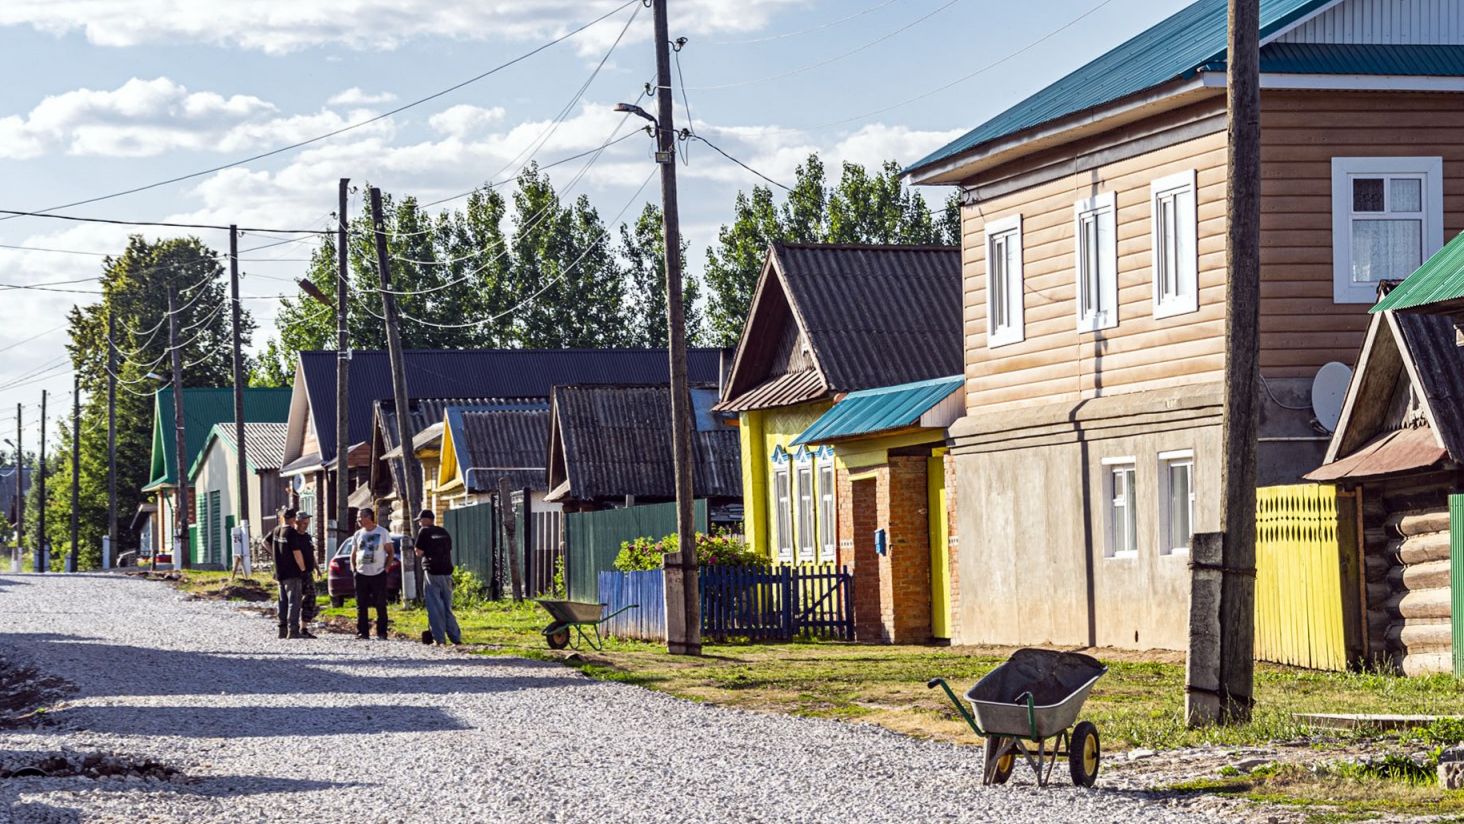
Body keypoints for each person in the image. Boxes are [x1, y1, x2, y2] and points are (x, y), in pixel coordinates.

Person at [414, 509, 461, 645]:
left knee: (434, 605)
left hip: (432, 571)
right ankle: (455, 637)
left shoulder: (424, 531)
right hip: (446, 571)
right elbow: (448, 550)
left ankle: (439, 638)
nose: (419, 523)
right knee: (446, 606)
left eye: (420, 520)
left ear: (426, 520)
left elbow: (418, 552)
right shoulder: (443, 532)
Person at [351, 507, 393, 640]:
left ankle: (382, 632)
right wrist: (354, 568)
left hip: (378, 573)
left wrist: (386, 567)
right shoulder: (358, 534)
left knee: (380, 604)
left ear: (368, 517)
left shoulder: (382, 532)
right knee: (361, 604)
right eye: (357, 517)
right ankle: (362, 632)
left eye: (360, 517)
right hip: (361, 573)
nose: (358, 520)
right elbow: (354, 553)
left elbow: (390, 551)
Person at [272, 507, 307, 639]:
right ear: (293, 519)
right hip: (292, 572)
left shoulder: (276, 530)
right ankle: (293, 630)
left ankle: (282, 630)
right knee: (294, 601)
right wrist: (303, 568)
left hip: (279, 571)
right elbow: (296, 552)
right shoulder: (291, 532)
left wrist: (275, 554)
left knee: (282, 601)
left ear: (283, 517)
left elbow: (266, 542)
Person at [294, 511, 319, 639]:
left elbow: (311, 554)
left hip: (308, 573)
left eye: (307, 522)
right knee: (295, 600)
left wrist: (317, 569)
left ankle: (304, 627)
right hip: (295, 573)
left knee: (310, 598)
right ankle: (292, 627)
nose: (306, 524)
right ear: (297, 522)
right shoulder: (292, 536)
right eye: (303, 522)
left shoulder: (307, 537)